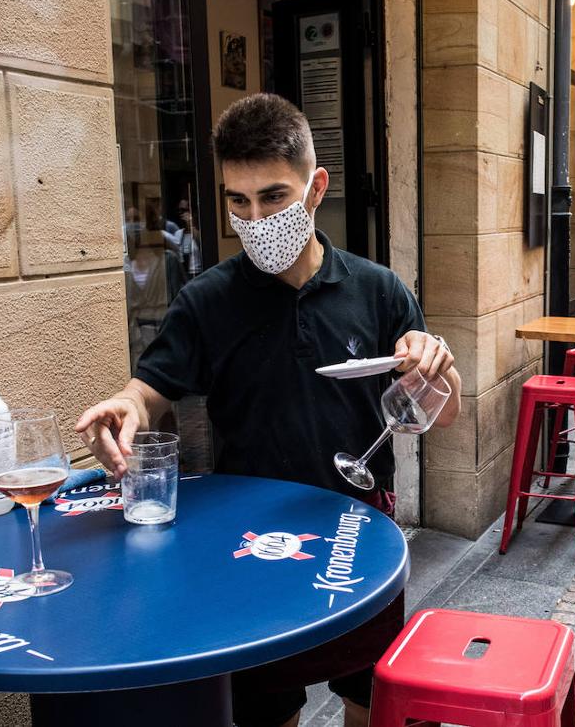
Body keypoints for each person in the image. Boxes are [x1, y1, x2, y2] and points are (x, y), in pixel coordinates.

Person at [75, 94, 463, 727]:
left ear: (316, 188)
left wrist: (435, 366)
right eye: (238, 201)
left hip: (357, 537)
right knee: (265, 710)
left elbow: (439, 417)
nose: (254, 218)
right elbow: (150, 389)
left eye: (274, 197)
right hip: (248, 542)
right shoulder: (207, 300)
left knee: (368, 699)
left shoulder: (378, 290)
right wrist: (125, 403)